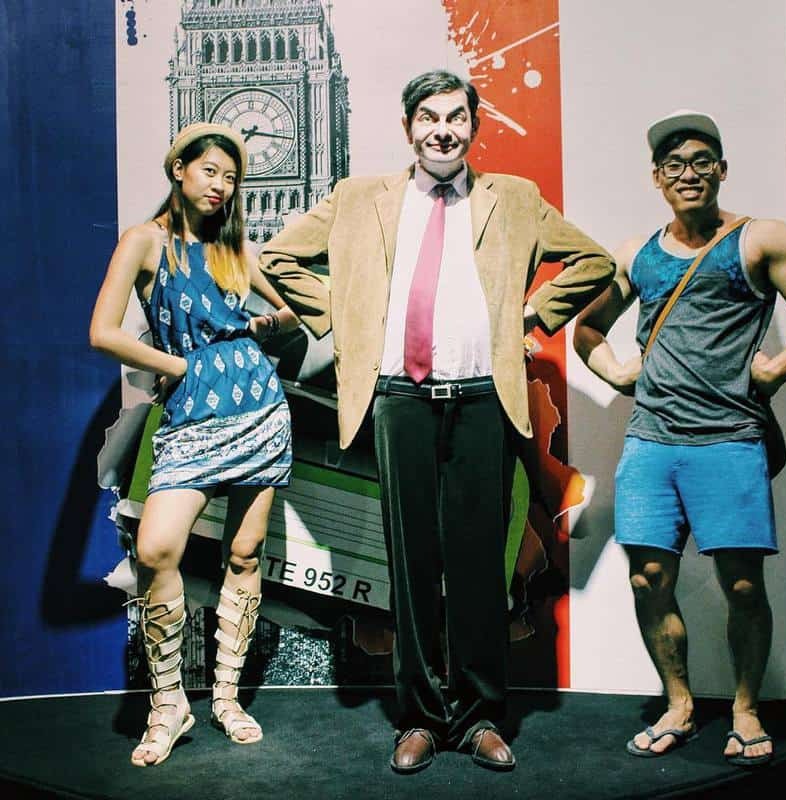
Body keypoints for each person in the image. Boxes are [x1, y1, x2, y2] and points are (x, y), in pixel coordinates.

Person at [260, 70, 614, 773]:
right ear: (408, 127)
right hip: (399, 400)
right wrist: (345, 320)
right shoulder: (358, 198)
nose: (442, 130)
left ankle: (479, 716)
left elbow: (594, 261)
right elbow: (277, 257)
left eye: (455, 117)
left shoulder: (513, 198)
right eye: (428, 117)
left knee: (479, 568)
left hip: (482, 399)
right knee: (411, 564)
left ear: (474, 126)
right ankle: (420, 718)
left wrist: (532, 314)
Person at [572, 110, 786, 767]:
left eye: (700, 161)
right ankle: (679, 704)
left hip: (729, 438)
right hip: (652, 441)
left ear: (720, 170)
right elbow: (586, 328)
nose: (687, 174)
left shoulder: (758, 239)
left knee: (742, 585)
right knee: (648, 579)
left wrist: (777, 369)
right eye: (673, 165)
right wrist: (617, 371)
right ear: (657, 178)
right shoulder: (637, 254)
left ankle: (745, 709)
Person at [90, 122, 299, 766]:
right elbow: (103, 332)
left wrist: (265, 325)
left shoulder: (235, 249)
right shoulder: (144, 241)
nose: (221, 186)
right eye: (210, 171)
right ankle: (168, 705)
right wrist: (177, 366)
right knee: (156, 548)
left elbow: (295, 311)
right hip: (191, 417)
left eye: (231, 178)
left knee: (244, 552)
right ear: (178, 169)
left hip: (259, 410)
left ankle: (227, 699)